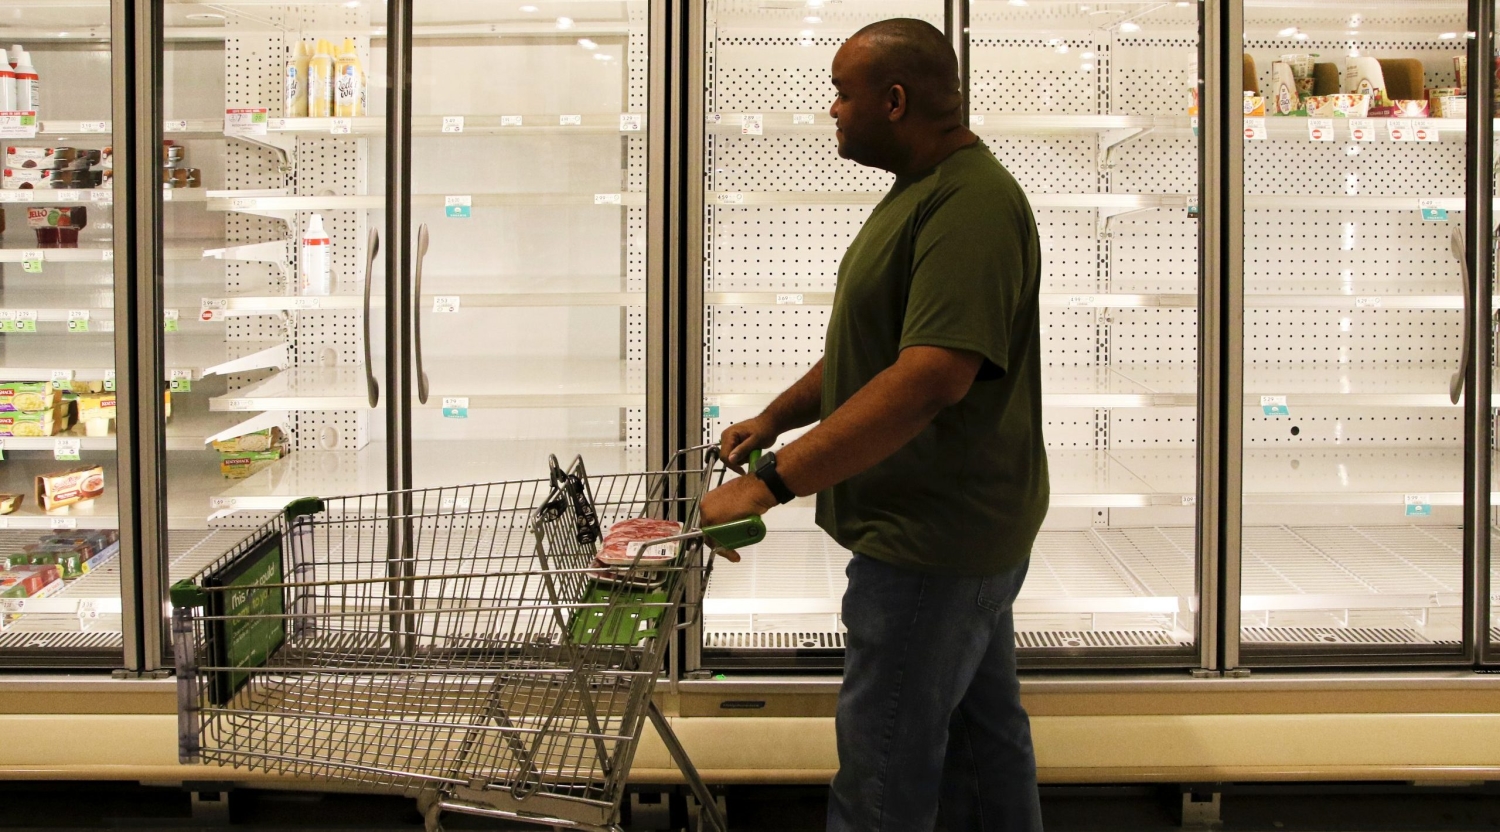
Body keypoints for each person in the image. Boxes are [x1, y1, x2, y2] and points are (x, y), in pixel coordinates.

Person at [695, 16, 1049, 832]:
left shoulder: (970, 206)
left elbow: (929, 379)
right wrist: (776, 417)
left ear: (894, 101)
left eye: (842, 94)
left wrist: (768, 485)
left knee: (882, 775)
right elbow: (885, 350)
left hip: (932, 543)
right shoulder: (924, 194)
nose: (832, 110)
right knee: (985, 751)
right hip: (958, 534)